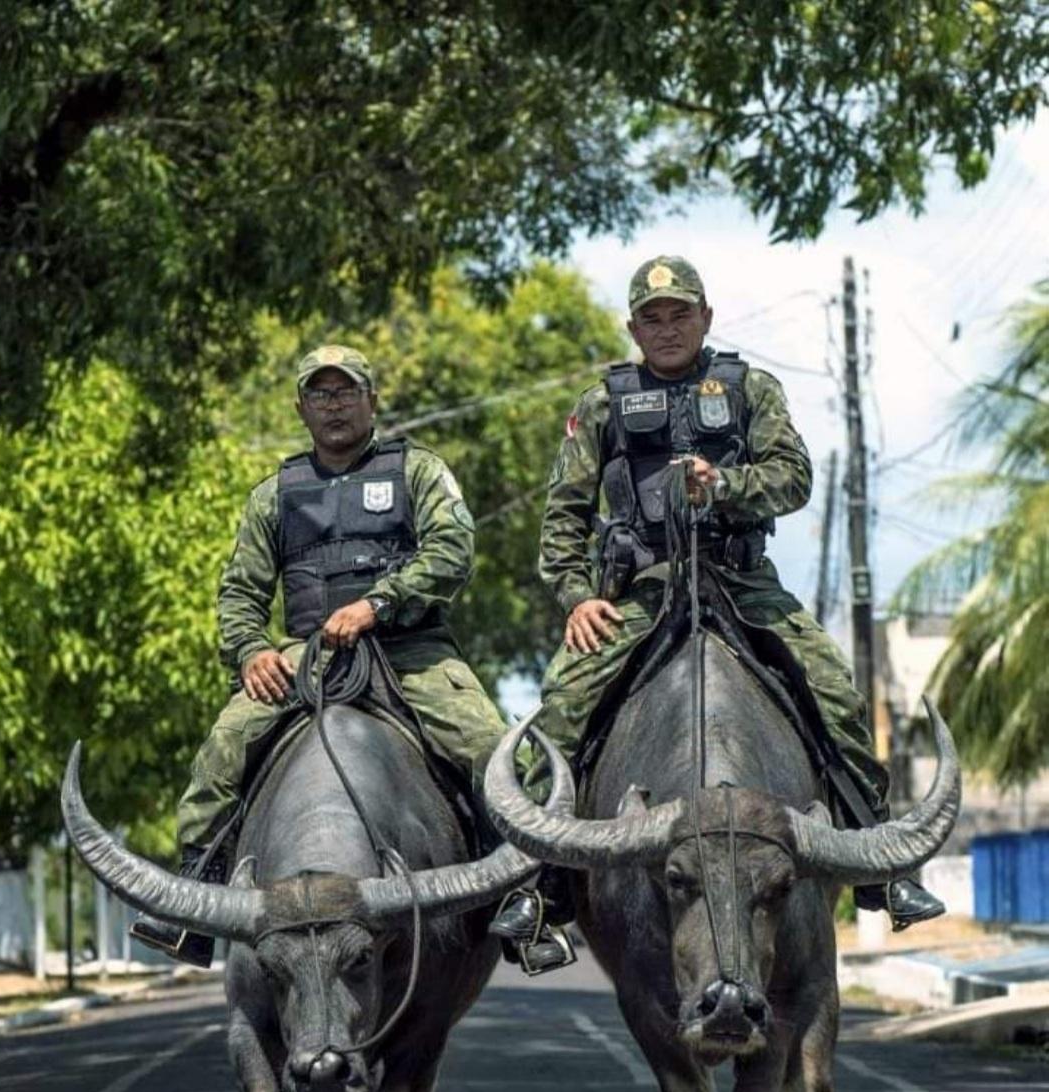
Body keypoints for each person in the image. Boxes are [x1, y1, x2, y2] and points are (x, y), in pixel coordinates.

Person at [491, 256, 944, 944]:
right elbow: (562, 518)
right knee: (560, 712)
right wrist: (579, 598)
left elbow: (793, 478)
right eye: (652, 318)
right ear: (633, 327)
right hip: (641, 590)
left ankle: (881, 867)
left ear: (706, 317)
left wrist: (722, 485)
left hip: (740, 580)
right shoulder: (601, 404)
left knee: (836, 695)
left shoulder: (748, 388)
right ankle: (541, 885)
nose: (667, 329)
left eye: (680, 315)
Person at [134, 343, 514, 967]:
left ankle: (524, 898)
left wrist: (379, 604)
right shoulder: (274, 494)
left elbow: (452, 551)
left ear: (372, 400)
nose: (333, 405)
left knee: (487, 746)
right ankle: (195, 898)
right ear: (301, 407)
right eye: (320, 393)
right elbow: (239, 591)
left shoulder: (417, 471)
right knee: (223, 750)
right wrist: (252, 650)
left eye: (345, 392)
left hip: (409, 649)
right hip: (306, 657)